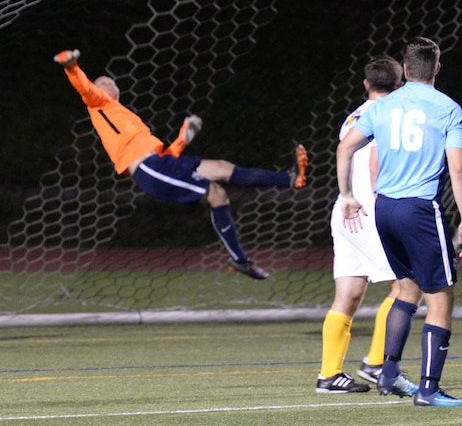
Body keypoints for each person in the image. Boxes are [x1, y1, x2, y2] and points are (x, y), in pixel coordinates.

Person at [55, 49, 305, 280]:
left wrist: (183, 139)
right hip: (148, 170)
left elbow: (165, 156)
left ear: (118, 92)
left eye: (110, 82)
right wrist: (71, 66)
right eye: (101, 83)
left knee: (221, 167)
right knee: (217, 195)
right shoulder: (98, 104)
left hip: (159, 163)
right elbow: (84, 87)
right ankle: (240, 260)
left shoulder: (126, 117)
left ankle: (290, 178)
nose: (106, 83)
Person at [338, 37, 462, 407]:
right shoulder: (448, 109)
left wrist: (347, 194)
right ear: (437, 68)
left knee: (407, 290)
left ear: (406, 68)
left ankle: (389, 373)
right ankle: (429, 390)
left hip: (386, 209)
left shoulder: (383, 105)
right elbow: (458, 168)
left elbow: (345, 147)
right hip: (419, 209)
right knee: (441, 299)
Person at [318, 56, 406, 394]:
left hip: (344, 209)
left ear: (367, 84)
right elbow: (376, 163)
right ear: (400, 85)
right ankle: (376, 363)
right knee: (405, 288)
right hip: (368, 212)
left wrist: (347, 196)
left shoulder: (354, 115)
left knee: (349, 293)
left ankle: (329, 374)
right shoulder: (389, 116)